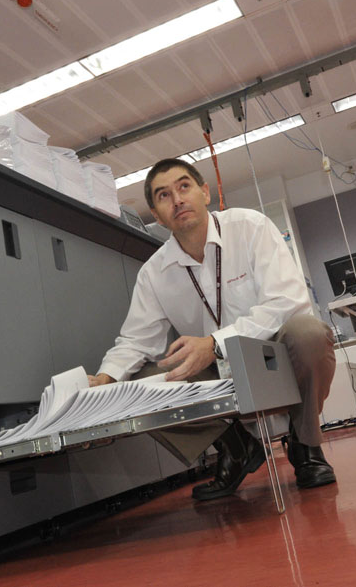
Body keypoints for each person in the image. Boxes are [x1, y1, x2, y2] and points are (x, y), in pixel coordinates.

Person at [89, 158, 337, 500]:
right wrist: (105, 379)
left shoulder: (251, 227)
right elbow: (135, 341)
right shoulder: (154, 272)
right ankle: (236, 448)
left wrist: (215, 343)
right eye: (164, 195)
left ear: (205, 193)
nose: (176, 199)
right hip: (214, 372)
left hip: (269, 354)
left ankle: (305, 445)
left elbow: (288, 303)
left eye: (184, 186)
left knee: (309, 332)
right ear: (157, 216)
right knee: (135, 381)